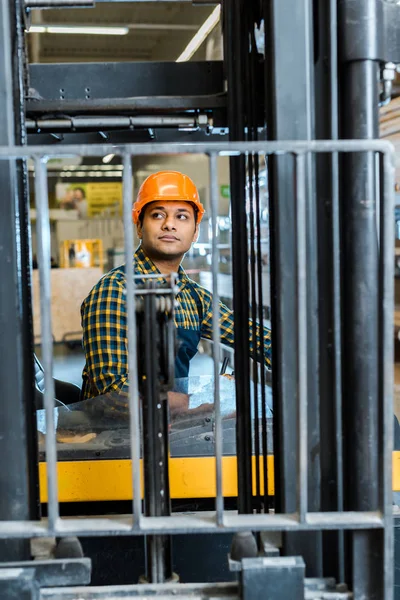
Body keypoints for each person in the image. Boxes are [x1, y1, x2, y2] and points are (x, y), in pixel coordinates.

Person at [80, 171, 271, 417]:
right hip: (115, 439)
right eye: (157, 214)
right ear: (139, 226)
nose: (169, 224)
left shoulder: (193, 297)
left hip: (168, 426)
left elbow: (256, 339)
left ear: (195, 233)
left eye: (182, 216)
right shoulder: (114, 291)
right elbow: (111, 393)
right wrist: (191, 405)